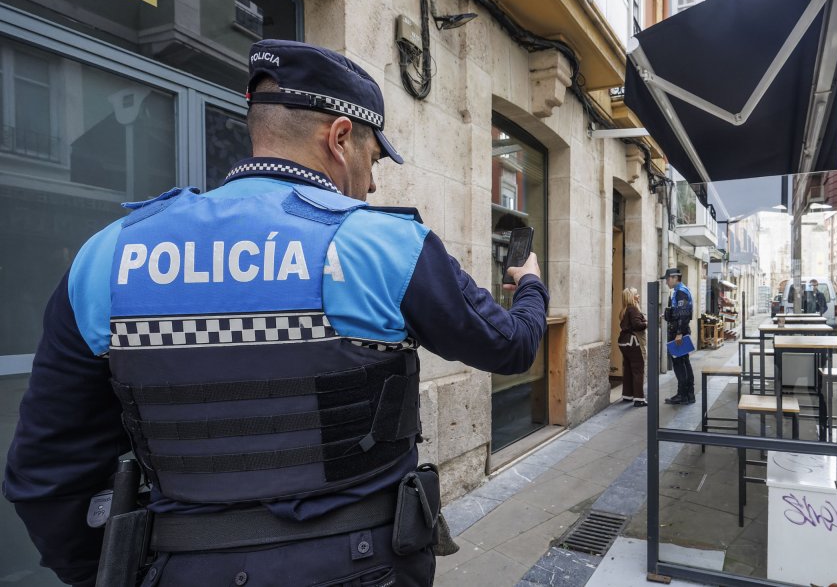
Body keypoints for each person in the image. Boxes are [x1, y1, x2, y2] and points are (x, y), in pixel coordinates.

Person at [3, 39, 549, 587]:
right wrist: (529, 286)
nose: (374, 181)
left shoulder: (108, 255)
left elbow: (44, 474)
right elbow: (511, 345)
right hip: (361, 567)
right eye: (373, 157)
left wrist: (108, 572)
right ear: (339, 138)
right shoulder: (383, 246)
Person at [661, 268, 694, 405]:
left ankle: (684, 395)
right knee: (683, 363)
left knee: (680, 364)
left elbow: (685, 313)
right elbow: (680, 312)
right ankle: (688, 394)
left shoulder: (681, 292)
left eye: (668, 279)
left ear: (674, 278)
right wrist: (667, 315)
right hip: (679, 331)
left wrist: (679, 333)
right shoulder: (680, 291)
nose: (667, 282)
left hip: (679, 334)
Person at [617, 287, 648, 407]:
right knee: (638, 370)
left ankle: (627, 395)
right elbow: (637, 325)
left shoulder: (624, 310)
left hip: (623, 343)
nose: (639, 295)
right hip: (633, 343)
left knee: (628, 369)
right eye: (636, 294)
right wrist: (647, 323)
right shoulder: (633, 309)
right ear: (632, 297)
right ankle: (639, 399)